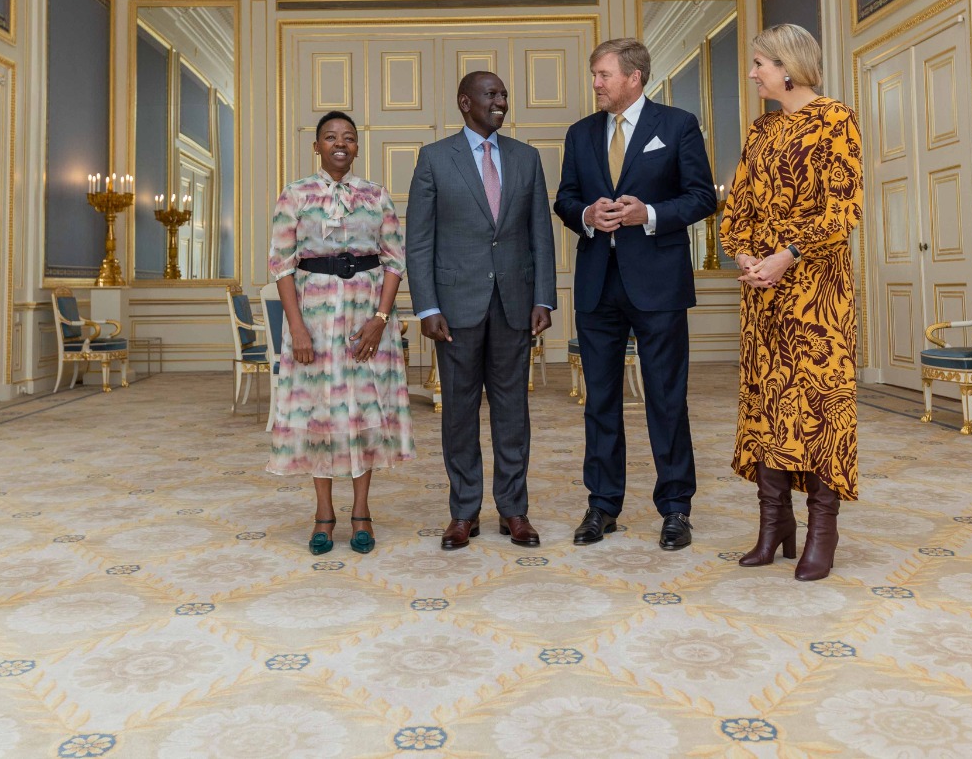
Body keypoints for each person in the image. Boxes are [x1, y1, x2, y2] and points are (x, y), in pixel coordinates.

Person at [553, 38, 716, 551]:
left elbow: (702, 196)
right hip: (597, 285)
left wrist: (649, 214)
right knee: (600, 401)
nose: (596, 83)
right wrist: (585, 216)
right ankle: (602, 505)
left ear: (634, 77)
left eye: (603, 74)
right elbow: (565, 198)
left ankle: (675, 509)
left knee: (666, 400)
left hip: (659, 285)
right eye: (595, 74)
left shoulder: (677, 125)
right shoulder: (580, 133)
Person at [718, 24, 862, 582]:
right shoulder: (760, 131)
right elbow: (738, 211)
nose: (752, 73)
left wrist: (787, 254)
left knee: (820, 404)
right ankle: (774, 525)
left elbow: (843, 209)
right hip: (764, 294)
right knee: (768, 402)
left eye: (759, 63)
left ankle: (822, 531)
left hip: (817, 290)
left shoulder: (836, 120)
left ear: (788, 66)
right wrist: (748, 259)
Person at [405, 71, 556, 551]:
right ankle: (463, 513)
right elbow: (419, 241)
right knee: (459, 414)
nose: (501, 102)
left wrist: (543, 298)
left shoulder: (526, 158)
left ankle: (514, 510)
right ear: (464, 101)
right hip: (455, 308)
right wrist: (427, 306)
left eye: (505, 94)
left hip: (515, 306)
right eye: (492, 95)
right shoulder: (433, 159)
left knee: (513, 412)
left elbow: (540, 235)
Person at [267, 111, 415, 556]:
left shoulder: (376, 196)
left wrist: (381, 319)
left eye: (348, 138)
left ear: (356, 147)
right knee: (321, 415)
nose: (340, 144)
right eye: (330, 137)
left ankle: (362, 513)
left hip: (368, 320)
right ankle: (324, 514)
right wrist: (296, 328)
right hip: (313, 319)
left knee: (363, 412)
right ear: (316, 147)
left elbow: (394, 262)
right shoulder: (294, 195)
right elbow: (281, 265)